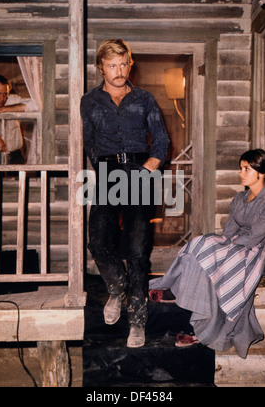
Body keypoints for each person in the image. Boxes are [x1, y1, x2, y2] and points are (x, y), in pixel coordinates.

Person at [81, 39, 170, 348]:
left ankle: (137, 322)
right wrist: (101, 171)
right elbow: (89, 142)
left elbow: (160, 138)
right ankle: (117, 288)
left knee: (136, 250)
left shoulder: (145, 99)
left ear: (130, 64)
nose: (118, 72)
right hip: (107, 174)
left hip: (140, 171)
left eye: (123, 64)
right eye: (111, 66)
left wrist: (148, 168)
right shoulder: (89, 101)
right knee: (98, 241)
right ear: (101, 67)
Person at [149, 149, 265, 358]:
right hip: (237, 247)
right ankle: (174, 285)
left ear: (261, 173)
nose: (241, 173)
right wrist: (219, 245)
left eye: (246, 169)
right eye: (240, 168)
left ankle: (205, 327)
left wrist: (224, 248)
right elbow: (229, 232)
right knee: (200, 244)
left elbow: (255, 238)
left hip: (262, 254)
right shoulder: (240, 198)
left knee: (218, 258)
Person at [0, 74, 38, 164]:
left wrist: (3, 109)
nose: (2, 98)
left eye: (5, 94)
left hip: (16, 156)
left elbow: (36, 104)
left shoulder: (12, 100)